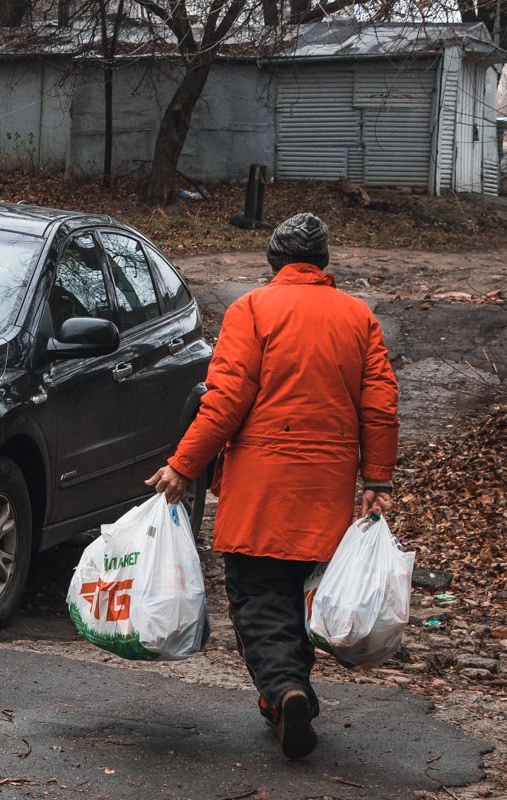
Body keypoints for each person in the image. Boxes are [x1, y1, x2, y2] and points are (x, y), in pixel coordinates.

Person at [146, 212, 398, 760]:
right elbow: (379, 404)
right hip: (327, 486)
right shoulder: (358, 317)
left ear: (273, 261)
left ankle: (285, 690)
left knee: (257, 594)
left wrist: (183, 465)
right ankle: (289, 697)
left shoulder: (253, 309)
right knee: (293, 592)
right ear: (323, 263)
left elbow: (226, 400)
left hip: (261, 485)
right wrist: (376, 477)